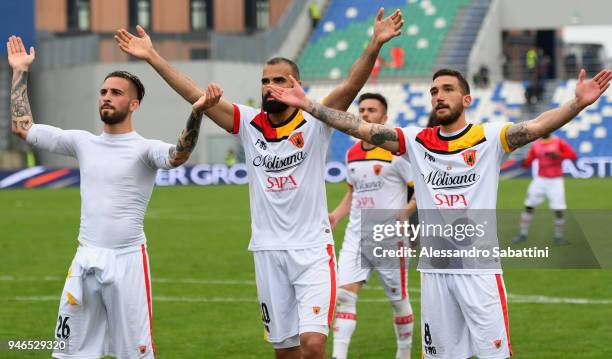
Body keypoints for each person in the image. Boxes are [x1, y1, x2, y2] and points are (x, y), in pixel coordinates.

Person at [114, 7, 404, 359]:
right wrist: (153, 57)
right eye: (265, 81)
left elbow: (350, 86)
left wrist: (374, 43)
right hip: (267, 251)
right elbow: (197, 98)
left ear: (295, 84)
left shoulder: (315, 120)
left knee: (314, 346)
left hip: (312, 250)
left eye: (279, 80)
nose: (270, 87)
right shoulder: (249, 123)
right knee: (286, 352)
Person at [267, 67, 611, 359]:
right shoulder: (417, 141)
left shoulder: (488, 138)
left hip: (479, 271)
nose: (439, 96)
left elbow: (537, 126)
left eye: (448, 89)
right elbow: (360, 128)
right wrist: (309, 105)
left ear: (467, 100)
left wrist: (577, 103)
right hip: (435, 272)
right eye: (434, 91)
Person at [7, 35, 221, 359]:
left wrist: (197, 112)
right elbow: (23, 127)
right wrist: (19, 70)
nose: (106, 97)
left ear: (134, 104)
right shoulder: (82, 142)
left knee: (134, 355)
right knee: (67, 353)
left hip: (127, 262)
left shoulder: (144, 149)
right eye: (104, 92)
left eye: (116, 93)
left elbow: (179, 155)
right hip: (84, 259)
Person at [328, 93, 416, 359]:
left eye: (372, 110)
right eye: (362, 110)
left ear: (384, 117)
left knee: (398, 301)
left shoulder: (397, 152)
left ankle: (403, 353)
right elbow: (353, 192)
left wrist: (406, 211)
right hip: (357, 235)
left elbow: (420, 191)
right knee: (344, 296)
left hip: (390, 238)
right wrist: (336, 216)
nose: (365, 114)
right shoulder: (352, 153)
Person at [513, 132, 577, 244]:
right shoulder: (536, 145)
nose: (543, 132)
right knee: (529, 206)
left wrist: (559, 155)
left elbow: (573, 155)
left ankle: (559, 237)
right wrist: (524, 162)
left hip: (556, 181)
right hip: (540, 180)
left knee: (559, 209)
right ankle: (522, 234)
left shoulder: (559, 142)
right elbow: (528, 162)